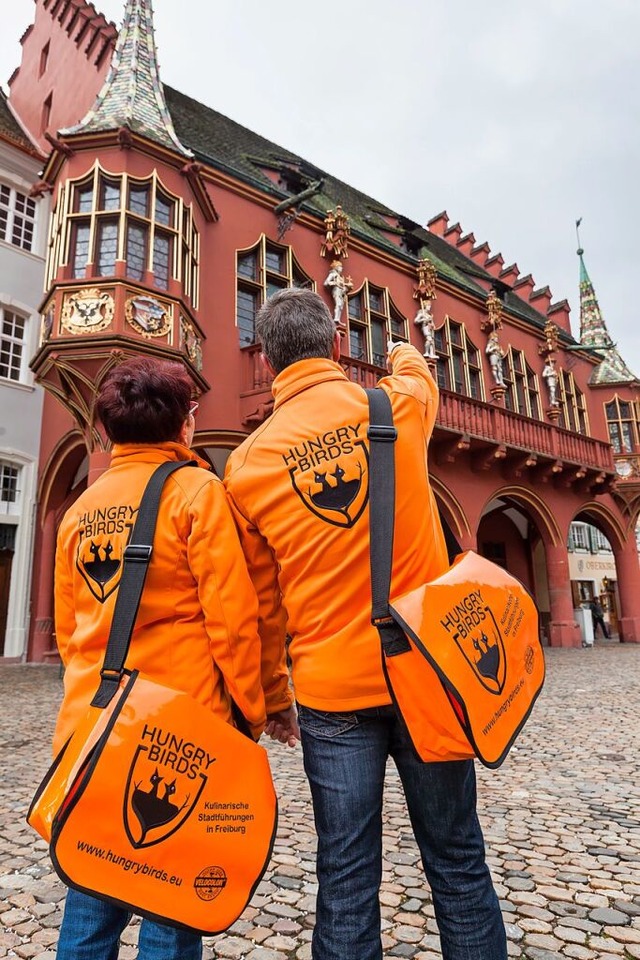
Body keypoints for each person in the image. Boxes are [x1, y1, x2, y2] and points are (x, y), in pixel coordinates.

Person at [224, 288, 507, 960]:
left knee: (345, 880)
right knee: (459, 864)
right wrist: (400, 345)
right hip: (428, 676)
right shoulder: (397, 407)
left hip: (331, 696)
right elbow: (418, 368)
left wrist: (271, 697)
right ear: (337, 346)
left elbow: (262, 604)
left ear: (267, 363)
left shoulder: (247, 465)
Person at [52, 356, 292, 960]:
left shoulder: (80, 509)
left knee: (92, 885)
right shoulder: (196, 492)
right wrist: (253, 715)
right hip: (181, 729)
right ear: (186, 425)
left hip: (96, 725)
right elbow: (233, 622)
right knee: (171, 896)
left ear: (105, 432)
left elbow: (67, 630)